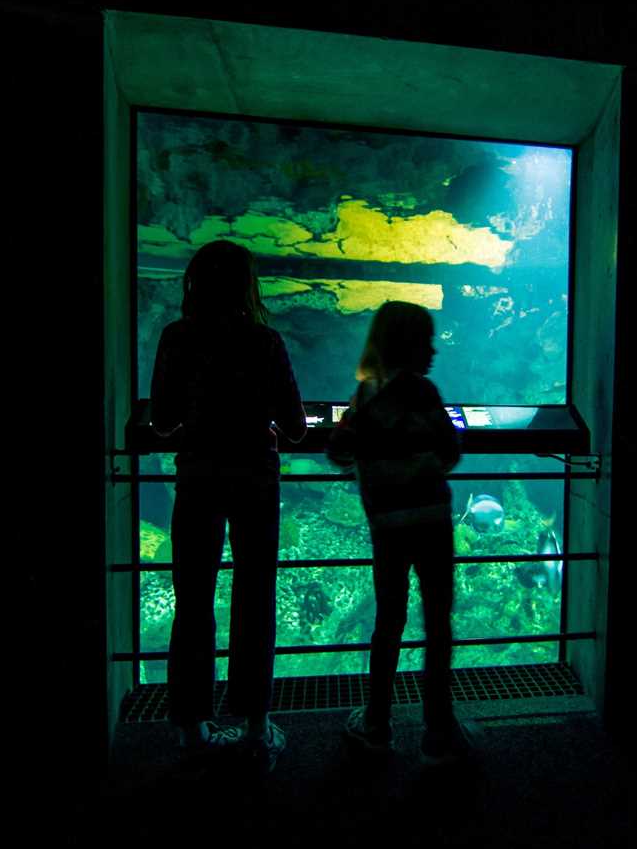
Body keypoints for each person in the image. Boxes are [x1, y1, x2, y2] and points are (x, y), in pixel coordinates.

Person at [149, 240, 306, 771]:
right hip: (255, 482)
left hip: (197, 479)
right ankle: (256, 726)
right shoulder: (264, 340)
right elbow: (296, 427)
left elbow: (163, 421)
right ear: (247, 286)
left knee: (193, 599)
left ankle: (191, 727)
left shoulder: (176, 338)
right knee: (255, 596)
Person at [326, 301, 476, 765]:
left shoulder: (364, 395)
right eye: (425, 341)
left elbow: (339, 452)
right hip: (431, 522)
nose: (433, 350)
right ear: (406, 346)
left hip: (388, 528)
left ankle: (377, 723)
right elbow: (451, 451)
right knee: (436, 623)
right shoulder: (426, 393)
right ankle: (438, 727)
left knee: (388, 622)